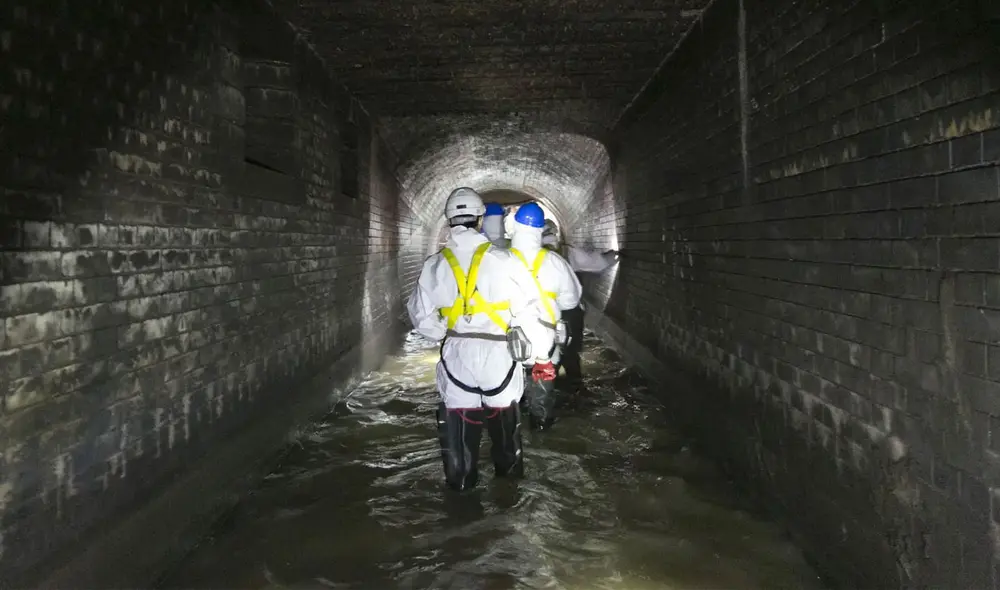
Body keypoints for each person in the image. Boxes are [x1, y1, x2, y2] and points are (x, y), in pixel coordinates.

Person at [407, 187, 557, 492]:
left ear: (449, 220)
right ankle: (509, 494)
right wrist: (541, 357)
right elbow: (530, 311)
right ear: (479, 219)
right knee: (505, 433)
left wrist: (444, 334)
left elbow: (420, 316)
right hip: (498, 354)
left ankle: (462, 502)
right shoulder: (505, 259)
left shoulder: (434, 265)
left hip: (457, 355)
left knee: (459, 439)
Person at [509, 203, 582, 430]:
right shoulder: (555, 262)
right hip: (545, 345)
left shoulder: (498, 259)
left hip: (509, 343)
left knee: (508, 403)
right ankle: (541, 432)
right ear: (541, 230)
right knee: (542, 402)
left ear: (515, 227)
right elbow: (571, 300)